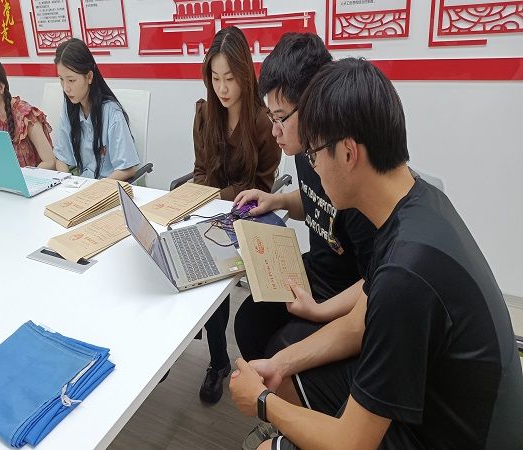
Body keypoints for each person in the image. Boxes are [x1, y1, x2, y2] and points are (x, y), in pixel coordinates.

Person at [230, 57, 523, 449]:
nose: (314, 168)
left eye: (315, 154)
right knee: (285, 376)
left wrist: (262, 402)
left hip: (445, 435)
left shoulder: (406, 274)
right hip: (431, 398)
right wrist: (279, 364)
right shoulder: (416, 203)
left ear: (348, 153)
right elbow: (358, 323)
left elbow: (352, 443)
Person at [233, 33, 375, 365]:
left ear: (314, 102)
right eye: (271, 117)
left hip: (345, 297)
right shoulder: (303, 149)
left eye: (280, 117)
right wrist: (277, 201)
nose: (275, 131)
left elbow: (378, 279)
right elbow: (316, 204)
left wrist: (320, 311)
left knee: (279, 347)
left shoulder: (347, 169)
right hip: (314, 273)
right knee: (248, 322)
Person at [192, 26, 281, 404]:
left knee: (212, 264)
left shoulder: (263, 121)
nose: (222, 88)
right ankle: (214, 358)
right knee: (183, 254)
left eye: (230, 78)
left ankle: (222, 363)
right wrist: (196, 198)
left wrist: (213, 196)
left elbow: (261, 186)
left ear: (245, 74)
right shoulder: (204, 113)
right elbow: (200, 171)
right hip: (210, 211)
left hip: (249, 217)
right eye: (215, 78)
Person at [53, 38, 139, 180]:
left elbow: (127, 169)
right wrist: (65, 182)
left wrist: (97, 189)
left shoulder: (111, 112)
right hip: (82, 185)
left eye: (71, 80)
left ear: (89, 77)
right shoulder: (69, 109)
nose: (66, 88)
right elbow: (62, 158)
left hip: (108, 187)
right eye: (61, 79)